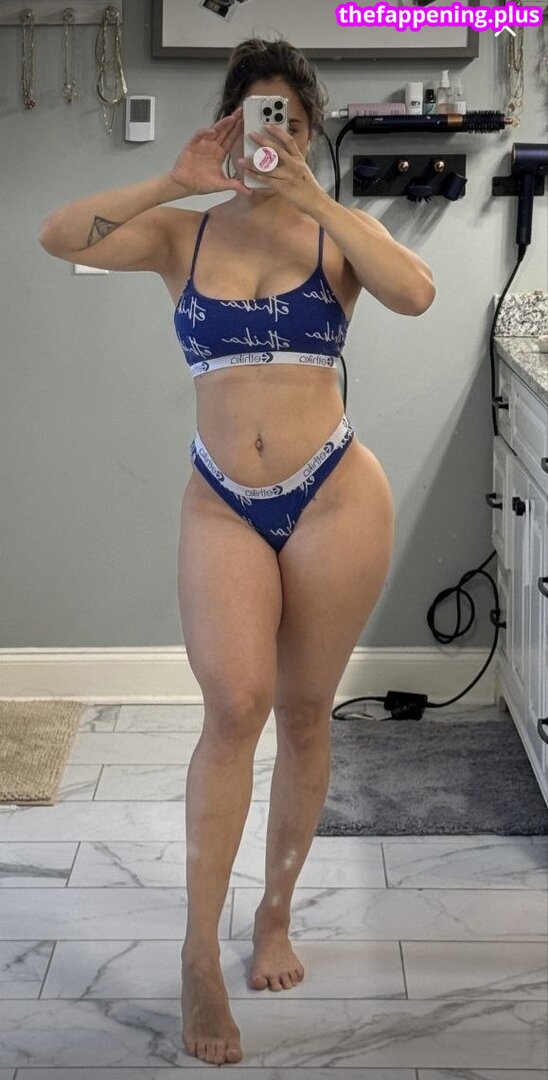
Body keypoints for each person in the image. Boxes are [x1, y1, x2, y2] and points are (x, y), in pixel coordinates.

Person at [39, 35, 435, 1068]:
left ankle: (274, 915)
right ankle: (195, 956)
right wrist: (173, 180)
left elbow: (416, 294)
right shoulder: (183, 234)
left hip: (335, 496)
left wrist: (315, 199)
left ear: (308, 133)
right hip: (221, 500)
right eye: (260, 119)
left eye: (290, 122)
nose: (274, 138)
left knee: (304, 714)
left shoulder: (334, 235)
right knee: (233, 707)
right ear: (229, 126)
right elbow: (57, 234)